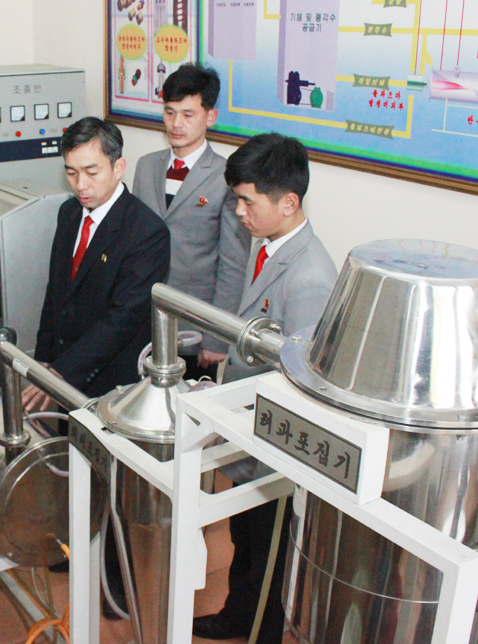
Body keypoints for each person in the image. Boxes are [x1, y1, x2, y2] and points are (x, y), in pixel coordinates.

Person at [193, 133, 338, 642]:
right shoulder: (270, 249)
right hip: (248, 433)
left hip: (274, 449)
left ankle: (259, 629)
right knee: (245, 541)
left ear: (288, 202)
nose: (239, 212)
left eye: (247, 201)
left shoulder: (309, 276)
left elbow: (300, 383)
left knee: (268, 553)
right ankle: (237, 614)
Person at [23, 116, 170, 408]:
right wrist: (44, 359)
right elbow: (56, 291)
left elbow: (123, 318)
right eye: (71, 173)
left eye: (91, 172)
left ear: (118, 167)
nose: (80, 185)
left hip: (110, 378)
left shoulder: (146, 231)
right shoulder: (69, 213)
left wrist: (62, 371)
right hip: (62, 367)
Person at [131, 63, 250, 381]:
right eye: (169, 113)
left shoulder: (227, 177)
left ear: (210, 117)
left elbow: (233, 266)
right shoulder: (146, 166)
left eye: (187, 114)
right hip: (142, 318)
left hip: (194, 326)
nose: (176, 124)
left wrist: (217, 337)